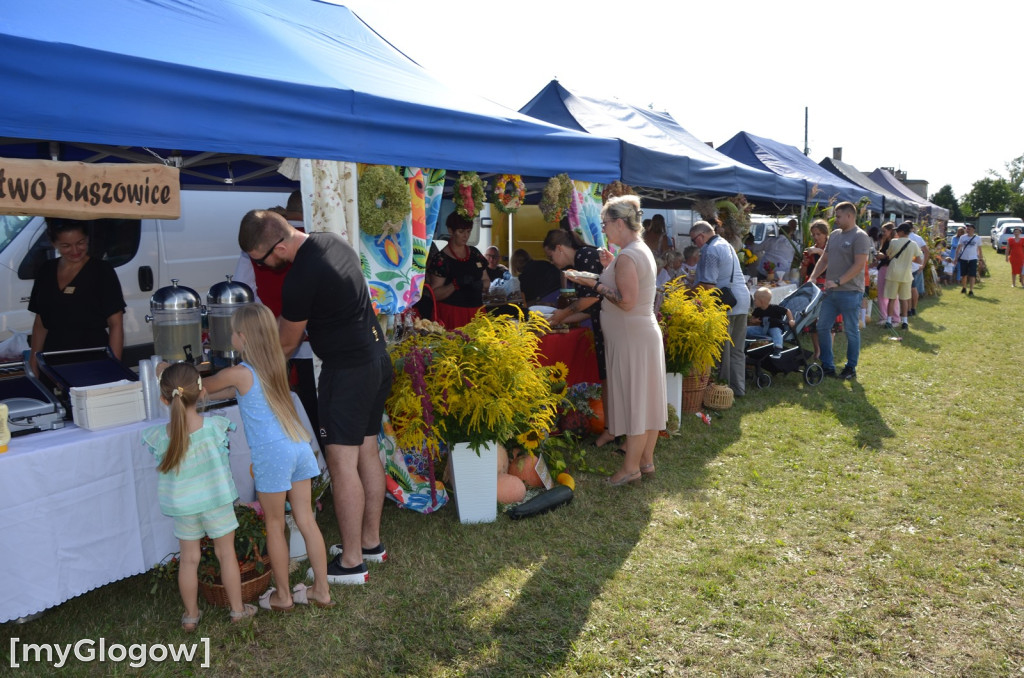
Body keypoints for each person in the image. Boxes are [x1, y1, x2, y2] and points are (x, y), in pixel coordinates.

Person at [238, 209, 391, 586]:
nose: (264, 267)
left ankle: (352, 563)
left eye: (261, 260)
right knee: (367, 451)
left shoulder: (301, 276)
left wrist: (255, 373)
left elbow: (286, 343)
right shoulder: (332, 241)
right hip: (376, 359)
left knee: (342, 464)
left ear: (276, 245)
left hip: (348, 372)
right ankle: (370, 544)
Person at [201, 304, 334, 604]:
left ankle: (283, 596)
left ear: (242, 337)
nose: (231, 337)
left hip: (272, 455)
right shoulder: (275, 365)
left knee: (274, 525)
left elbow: (204, 387)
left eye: (233, 332)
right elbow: (233, 392)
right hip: (299, 445)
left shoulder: (237, 372)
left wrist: (167, 375)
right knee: (305, 520)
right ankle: (321, 590)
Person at [141, 362, 258, 630]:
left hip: (183, 507)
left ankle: (191, 616)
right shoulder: (215, 427)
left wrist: (163, 372)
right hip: (216, 501)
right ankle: (237, 611)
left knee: (189, 560)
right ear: (202, 391)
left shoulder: (161, 437)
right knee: (225, 554)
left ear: (163, 399)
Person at [567, 195, 665, 485]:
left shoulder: (629, 255)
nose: (604, 228)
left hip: (632, 338)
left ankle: (630, 468)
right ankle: (645, 461)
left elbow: (626, 301)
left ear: (620, 223)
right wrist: (610, 267)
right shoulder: (635, 250)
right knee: (645, 401)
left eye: (606, 223)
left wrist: (592, 283)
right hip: (639, 335)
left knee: (636, 402)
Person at [232, 190, 319, 439]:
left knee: (287, 409)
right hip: (318, 343)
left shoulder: (258, 240)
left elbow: (243, 291)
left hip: (276, 339)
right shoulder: (312, 236)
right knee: (317, 410)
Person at [28, 218, 126, 374]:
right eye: (66, 246)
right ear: (54, 244)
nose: (75, 250)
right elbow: (40, 323)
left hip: (93, 360)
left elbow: (116, 324)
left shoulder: (102, 271)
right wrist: (34, 362)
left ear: (87, 239)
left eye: (80, 243)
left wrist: (114, 367)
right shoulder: (46, 270)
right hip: (53, 362)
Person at [542, 229, 610, 445]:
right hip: (602, 321)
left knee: (611, 378)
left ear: (560, 248)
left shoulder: (584, 257)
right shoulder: (582, 259)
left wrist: (563, 314)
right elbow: (590, 306)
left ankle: (613, 428)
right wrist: (557, 319)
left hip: (609, 322)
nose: (552, 262)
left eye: (551, 256)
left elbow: (590, 299)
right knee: (606, 377)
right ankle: (610, 428)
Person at [808, 201, 872, 380]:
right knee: (822, 327)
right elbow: (824, 259)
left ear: (850, 215)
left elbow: (859, 265)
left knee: (851, 330)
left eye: (838, 216)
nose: (835, 220)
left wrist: (838, 281)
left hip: (851, 292)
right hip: (831, 292)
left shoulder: (860, 236)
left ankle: (850, 367)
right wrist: (813, 276)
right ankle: (827, 365)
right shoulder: (835, 235)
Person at [689, 220, 751, 396]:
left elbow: (708, 286)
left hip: (726, 303)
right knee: (737, 350)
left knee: (723, 351)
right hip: (741, 299)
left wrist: (687, 293)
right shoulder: (725, 244)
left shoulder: (710, 249)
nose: (695, 244)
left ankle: (721, 390)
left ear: (701, 236)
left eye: (694, 240)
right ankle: (738, 389)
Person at [427, 213, 490, 329]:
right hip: (452, 313)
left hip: (477, 312)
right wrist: (454, 285)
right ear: (451, 231)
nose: (465, 236)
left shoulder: (475, 253)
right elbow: (434, 294)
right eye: (461, 231)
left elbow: (486, 280)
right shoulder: (441, 259)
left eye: (468, 231)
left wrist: (480, 284)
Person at [881, 222, 923, 331]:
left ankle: (889, 321)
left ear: (901, 232)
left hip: (893, 273)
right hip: (906, 274)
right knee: (904, 299)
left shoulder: (893, 242)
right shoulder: (913, 244)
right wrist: (909, 258)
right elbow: (919, 260)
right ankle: (905, 321)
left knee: (892, 298)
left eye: (898, 230)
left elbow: (889, 255)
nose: (896, 232)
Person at [874, 223, 898, 326]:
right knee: (887, 294)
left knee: (888, 295)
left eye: (884, 231)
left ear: (890, 231)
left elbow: (887, 256)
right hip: (887, 268)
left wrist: (879, 255)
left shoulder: (891, 242)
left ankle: (890, 317)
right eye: (882, 231)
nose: (882, 233)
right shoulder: (887, 241)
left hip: (887, 268)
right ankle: (886, 316)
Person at [906, 223, 929, 316]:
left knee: (909, 289)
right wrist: (923, 264)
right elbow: (927, 251)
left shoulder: (902, 237)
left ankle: (909, 309)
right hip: (916, 266)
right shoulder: (918, 238)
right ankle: (913, 308)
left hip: (907, 266)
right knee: (914, 288)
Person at [953, 223, 980, 296]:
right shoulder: (962, 237)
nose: (968, 230)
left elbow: (979, 249)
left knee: (972, 275)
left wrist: (980, 258)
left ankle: (971, 290)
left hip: (973, 258)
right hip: (964, 258)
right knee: (964, 275)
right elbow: (958, 248)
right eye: (967, 229)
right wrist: (956, 258)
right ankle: (964, 287)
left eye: (970, 229)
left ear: (973, 230)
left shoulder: (977, 238)